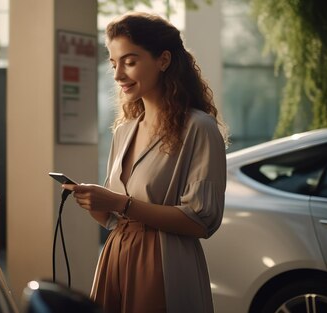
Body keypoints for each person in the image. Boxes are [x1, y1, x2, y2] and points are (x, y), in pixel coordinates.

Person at [62, 11, 228, 313]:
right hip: (115, 257)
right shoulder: (124, 131)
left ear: (163, 60)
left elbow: (201, 221)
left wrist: (121, 203)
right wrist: (96, 203)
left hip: (164, 264)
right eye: (114, 63)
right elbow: (114, 219)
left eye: (130, 61)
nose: (117, 75)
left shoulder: (199, 128)